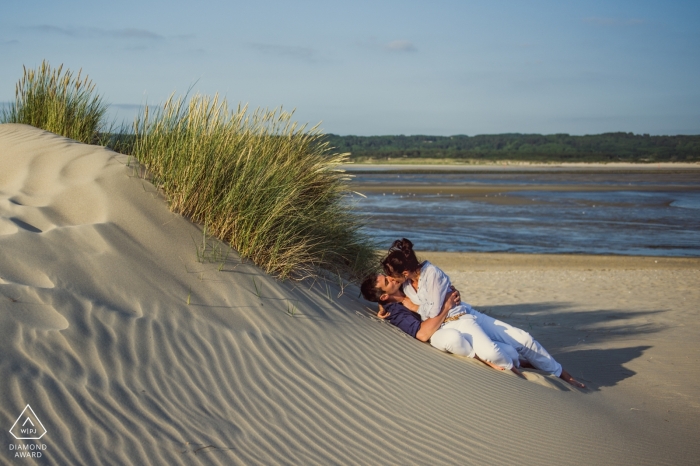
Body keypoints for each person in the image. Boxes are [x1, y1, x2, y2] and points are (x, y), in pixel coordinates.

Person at [368, 238, 585, 388]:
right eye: (389, 279)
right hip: (448, 325)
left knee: (524, 338)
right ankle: (518, 363)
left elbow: (432, 310)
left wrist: (415, 307)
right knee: (494, 353)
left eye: (391, 276)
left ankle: (563, 374)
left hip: (464, 315)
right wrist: (382, 307)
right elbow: (390, 302)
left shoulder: (431, 273)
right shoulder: (404, 287)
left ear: (404, 273)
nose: (392, 279)